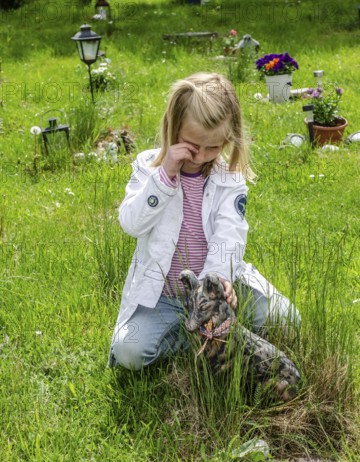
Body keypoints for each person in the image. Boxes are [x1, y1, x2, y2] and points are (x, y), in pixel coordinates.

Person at [109, 72, 300, 370]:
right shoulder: (149, 168)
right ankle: (205, 339)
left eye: (213, 147)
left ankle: (219, 329)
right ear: (173, 129)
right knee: (128, 353)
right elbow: (131, 223)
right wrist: (164, 178)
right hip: (165, 297)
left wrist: (217, 280)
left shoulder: (229, 178)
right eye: (191, 144)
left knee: (289, 321)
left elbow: (230, 234)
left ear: (228, 137)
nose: (200, 156)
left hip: (222, 291)